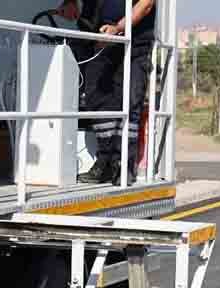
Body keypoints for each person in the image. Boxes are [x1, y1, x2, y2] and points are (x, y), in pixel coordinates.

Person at [58, 0, 157, 185]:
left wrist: (118, 29)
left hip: (134, 44)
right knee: (96, 96)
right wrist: (71, 3)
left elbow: (146, 4)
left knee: (130, 102)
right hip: (103, 40)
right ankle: (105, 163)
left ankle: (124, 165)